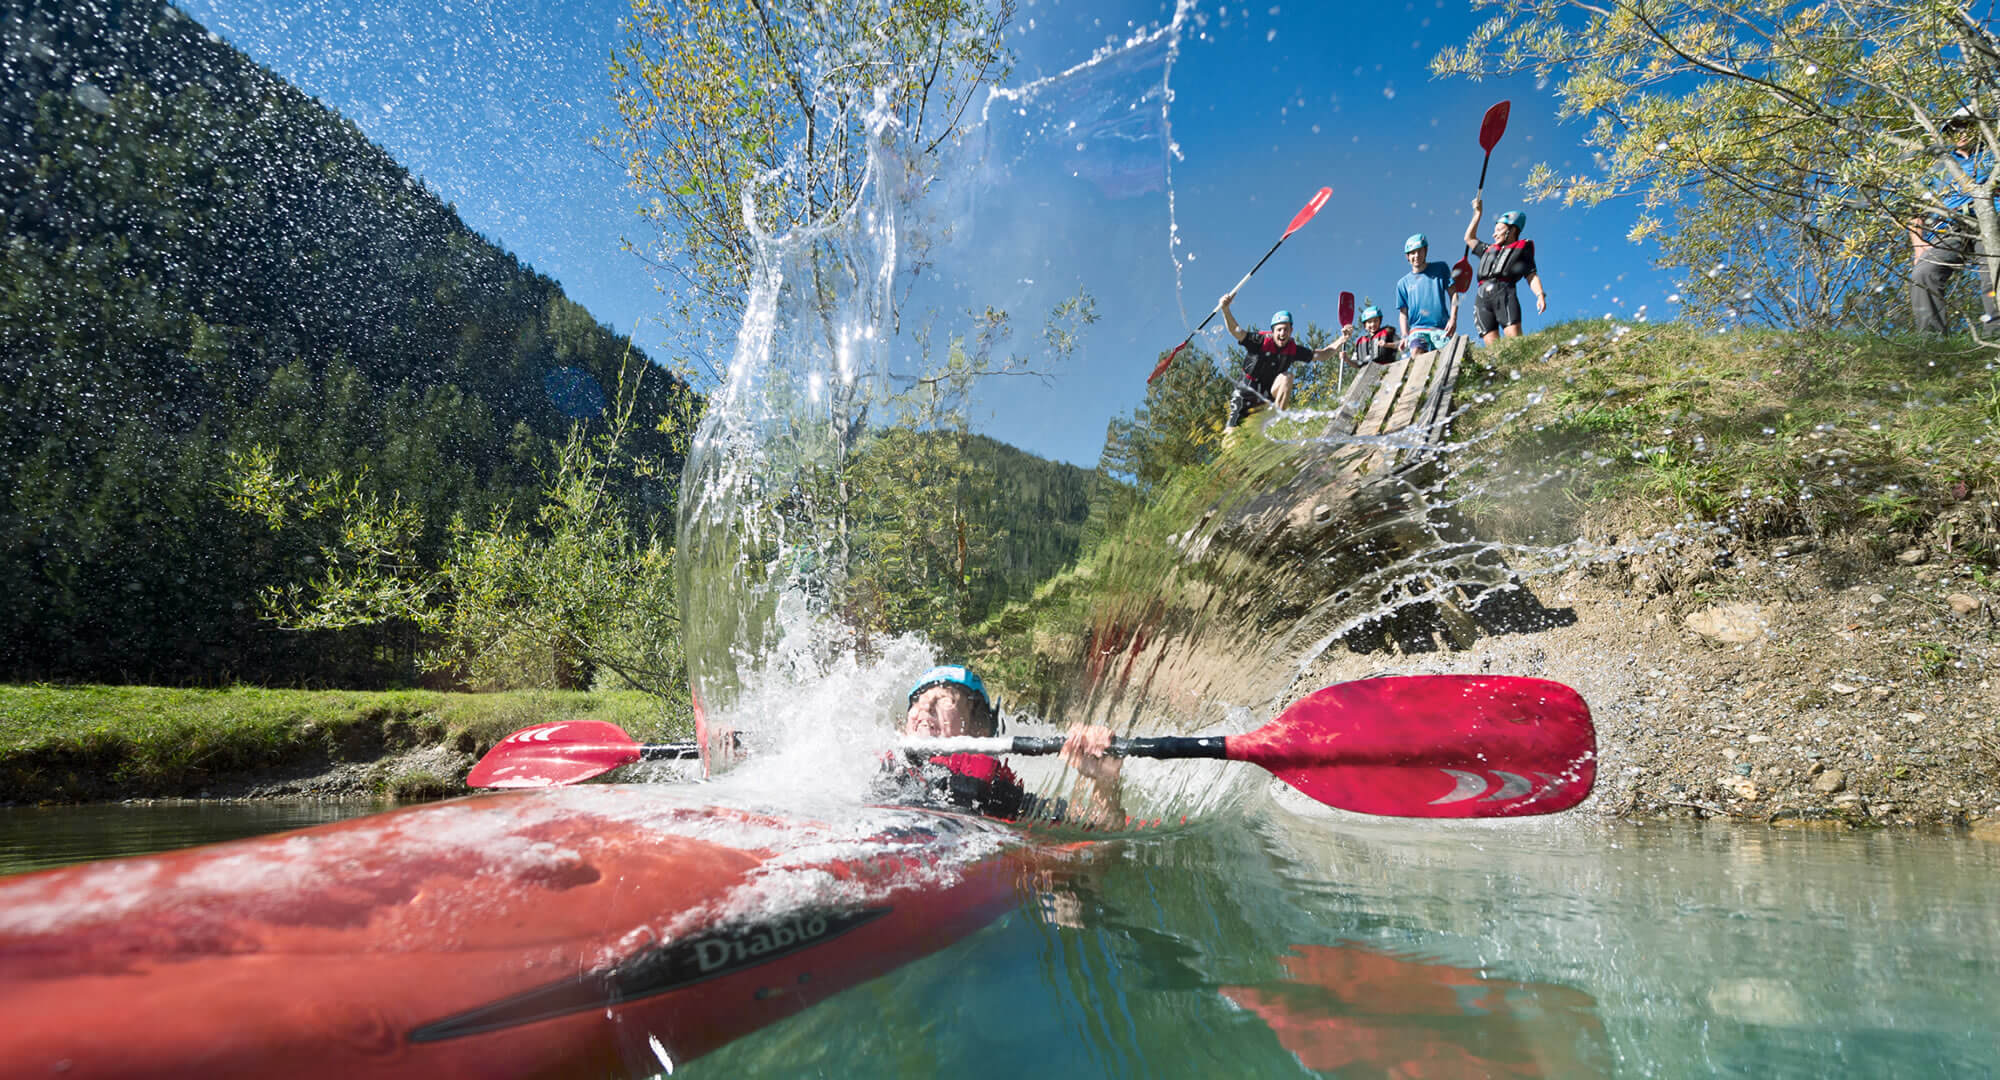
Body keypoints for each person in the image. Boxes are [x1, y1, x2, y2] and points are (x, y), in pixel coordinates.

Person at [878, 665, 1123, 826]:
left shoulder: (990, 788)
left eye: (945, 699)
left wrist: (1105, 782)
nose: (925, 707)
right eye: (918, 700)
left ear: (979, 729)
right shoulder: (876, 763)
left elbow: (1100, 824)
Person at [1909, 107, 2000, 333]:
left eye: (1966, 125)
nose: (1961, 132)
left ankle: (1996, 337)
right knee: (1923, 273)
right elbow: (1914, 211)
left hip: (1991, 218)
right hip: (1950, 226)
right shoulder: (1939, 167)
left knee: (1993, 275)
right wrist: (1919, 246)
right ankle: (1933, 341)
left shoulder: (1993, 154)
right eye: (1954, 129)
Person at [1218, 294, 1345, 432]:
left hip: (1267, 397)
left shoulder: (1293, 350)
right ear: (1273, 331)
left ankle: (1275, 423)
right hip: (1245, 395)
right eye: (1279, 329)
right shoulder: (1259, 341)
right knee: (1230, 435)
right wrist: (1225, 309)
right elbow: (1236, 331)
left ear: (1291, 331)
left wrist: (1342, 339)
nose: (1282, 333)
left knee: (1287, 377)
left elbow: (1323, 355)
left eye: (1286, 329)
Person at [1462, 198, 1547, 343]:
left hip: (1505, 294)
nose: (1494, 234)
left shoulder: (1522, 248)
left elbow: (1531, 275)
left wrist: (1540, 295)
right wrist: (1477, 214)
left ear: (1512, 229)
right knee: (1493, 349)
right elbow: (1469, 238)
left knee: (1515, 342)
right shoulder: (1487, 250)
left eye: (1499, 230)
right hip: (1482, 298)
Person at [1395, 233, 1457, 356]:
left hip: (1441, 329)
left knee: (1445, 361)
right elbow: (1403, 314)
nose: (1416, 255)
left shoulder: (1441, 268)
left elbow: (1453, 294)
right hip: (1417, 329)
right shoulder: (1403, 283)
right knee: (1417, 355)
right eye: (1413, 253)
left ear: (1426, 250)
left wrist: (1453, 318)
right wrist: (1404, 335)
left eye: (1420, 251)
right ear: (1407, 256)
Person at [1331, 304, 1400, 366]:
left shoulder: (1388, 332)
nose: (1373, 324)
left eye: (1376, 320)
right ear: (1365, 325)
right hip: (1367, 373)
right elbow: (1357, 364)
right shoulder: (1360, 341)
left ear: (1380, 321)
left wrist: (1387, 344)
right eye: (1369, 322)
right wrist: (1347, 359)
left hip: (1387, 368)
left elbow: (1400, 344)